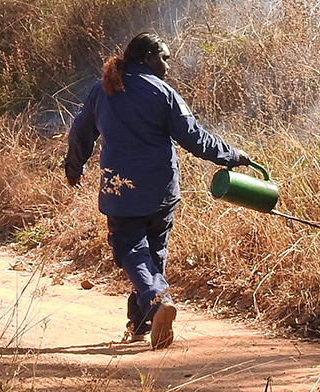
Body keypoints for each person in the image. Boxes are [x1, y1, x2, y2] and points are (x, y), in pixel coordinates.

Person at [64, 32, 252, 350]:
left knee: (132, 252)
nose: (167, 65)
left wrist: (74, 166)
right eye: (164, 57)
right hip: (161, 190)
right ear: (148, 58)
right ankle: (140, 323)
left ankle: (158, 301)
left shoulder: (102, 90)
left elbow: (81, 131)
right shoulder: (163, 93)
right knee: (153, 253)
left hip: (119, 188)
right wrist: (232, 155)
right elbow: (195, 138)